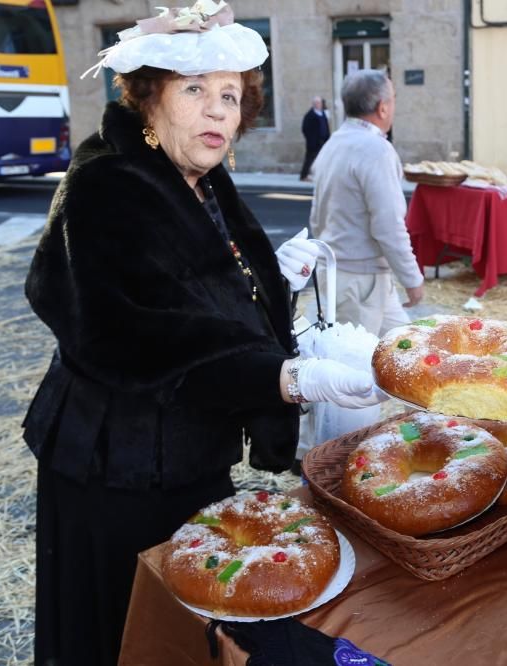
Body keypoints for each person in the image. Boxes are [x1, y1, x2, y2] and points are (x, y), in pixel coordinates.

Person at [23, 3, 385, 663]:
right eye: (194, 90)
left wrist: (268, 280)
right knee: (122, 628)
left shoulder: (201, 179)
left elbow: (191, 284)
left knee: (194, 625)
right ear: (146, 99)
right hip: (114, 466)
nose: (218, 110)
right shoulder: (103, 183)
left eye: (229, 95)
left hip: (190, 452)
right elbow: (121, 331)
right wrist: (283, 377)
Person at [309, 69, 424, 336]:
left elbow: (317, 216)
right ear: (382, 108)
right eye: (394, 99)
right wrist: (412, 279)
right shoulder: (377, 150)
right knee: (359, 366)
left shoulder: (333, 143)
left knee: (403, 345)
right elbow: (388, 226)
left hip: (347, 273)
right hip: (360, 280)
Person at [300, 95, 330, 180]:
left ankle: (321, 175)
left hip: (323, 140)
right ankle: (304, 175)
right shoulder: (310, 115)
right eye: (316, 103)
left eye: (319, 103)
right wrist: (311, 139)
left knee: (323, 158)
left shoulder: (323, 113)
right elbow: (305, 128)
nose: (318, 104)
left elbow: (326, 126)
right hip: (314, 142)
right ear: (313, 104)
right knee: (310, 158)